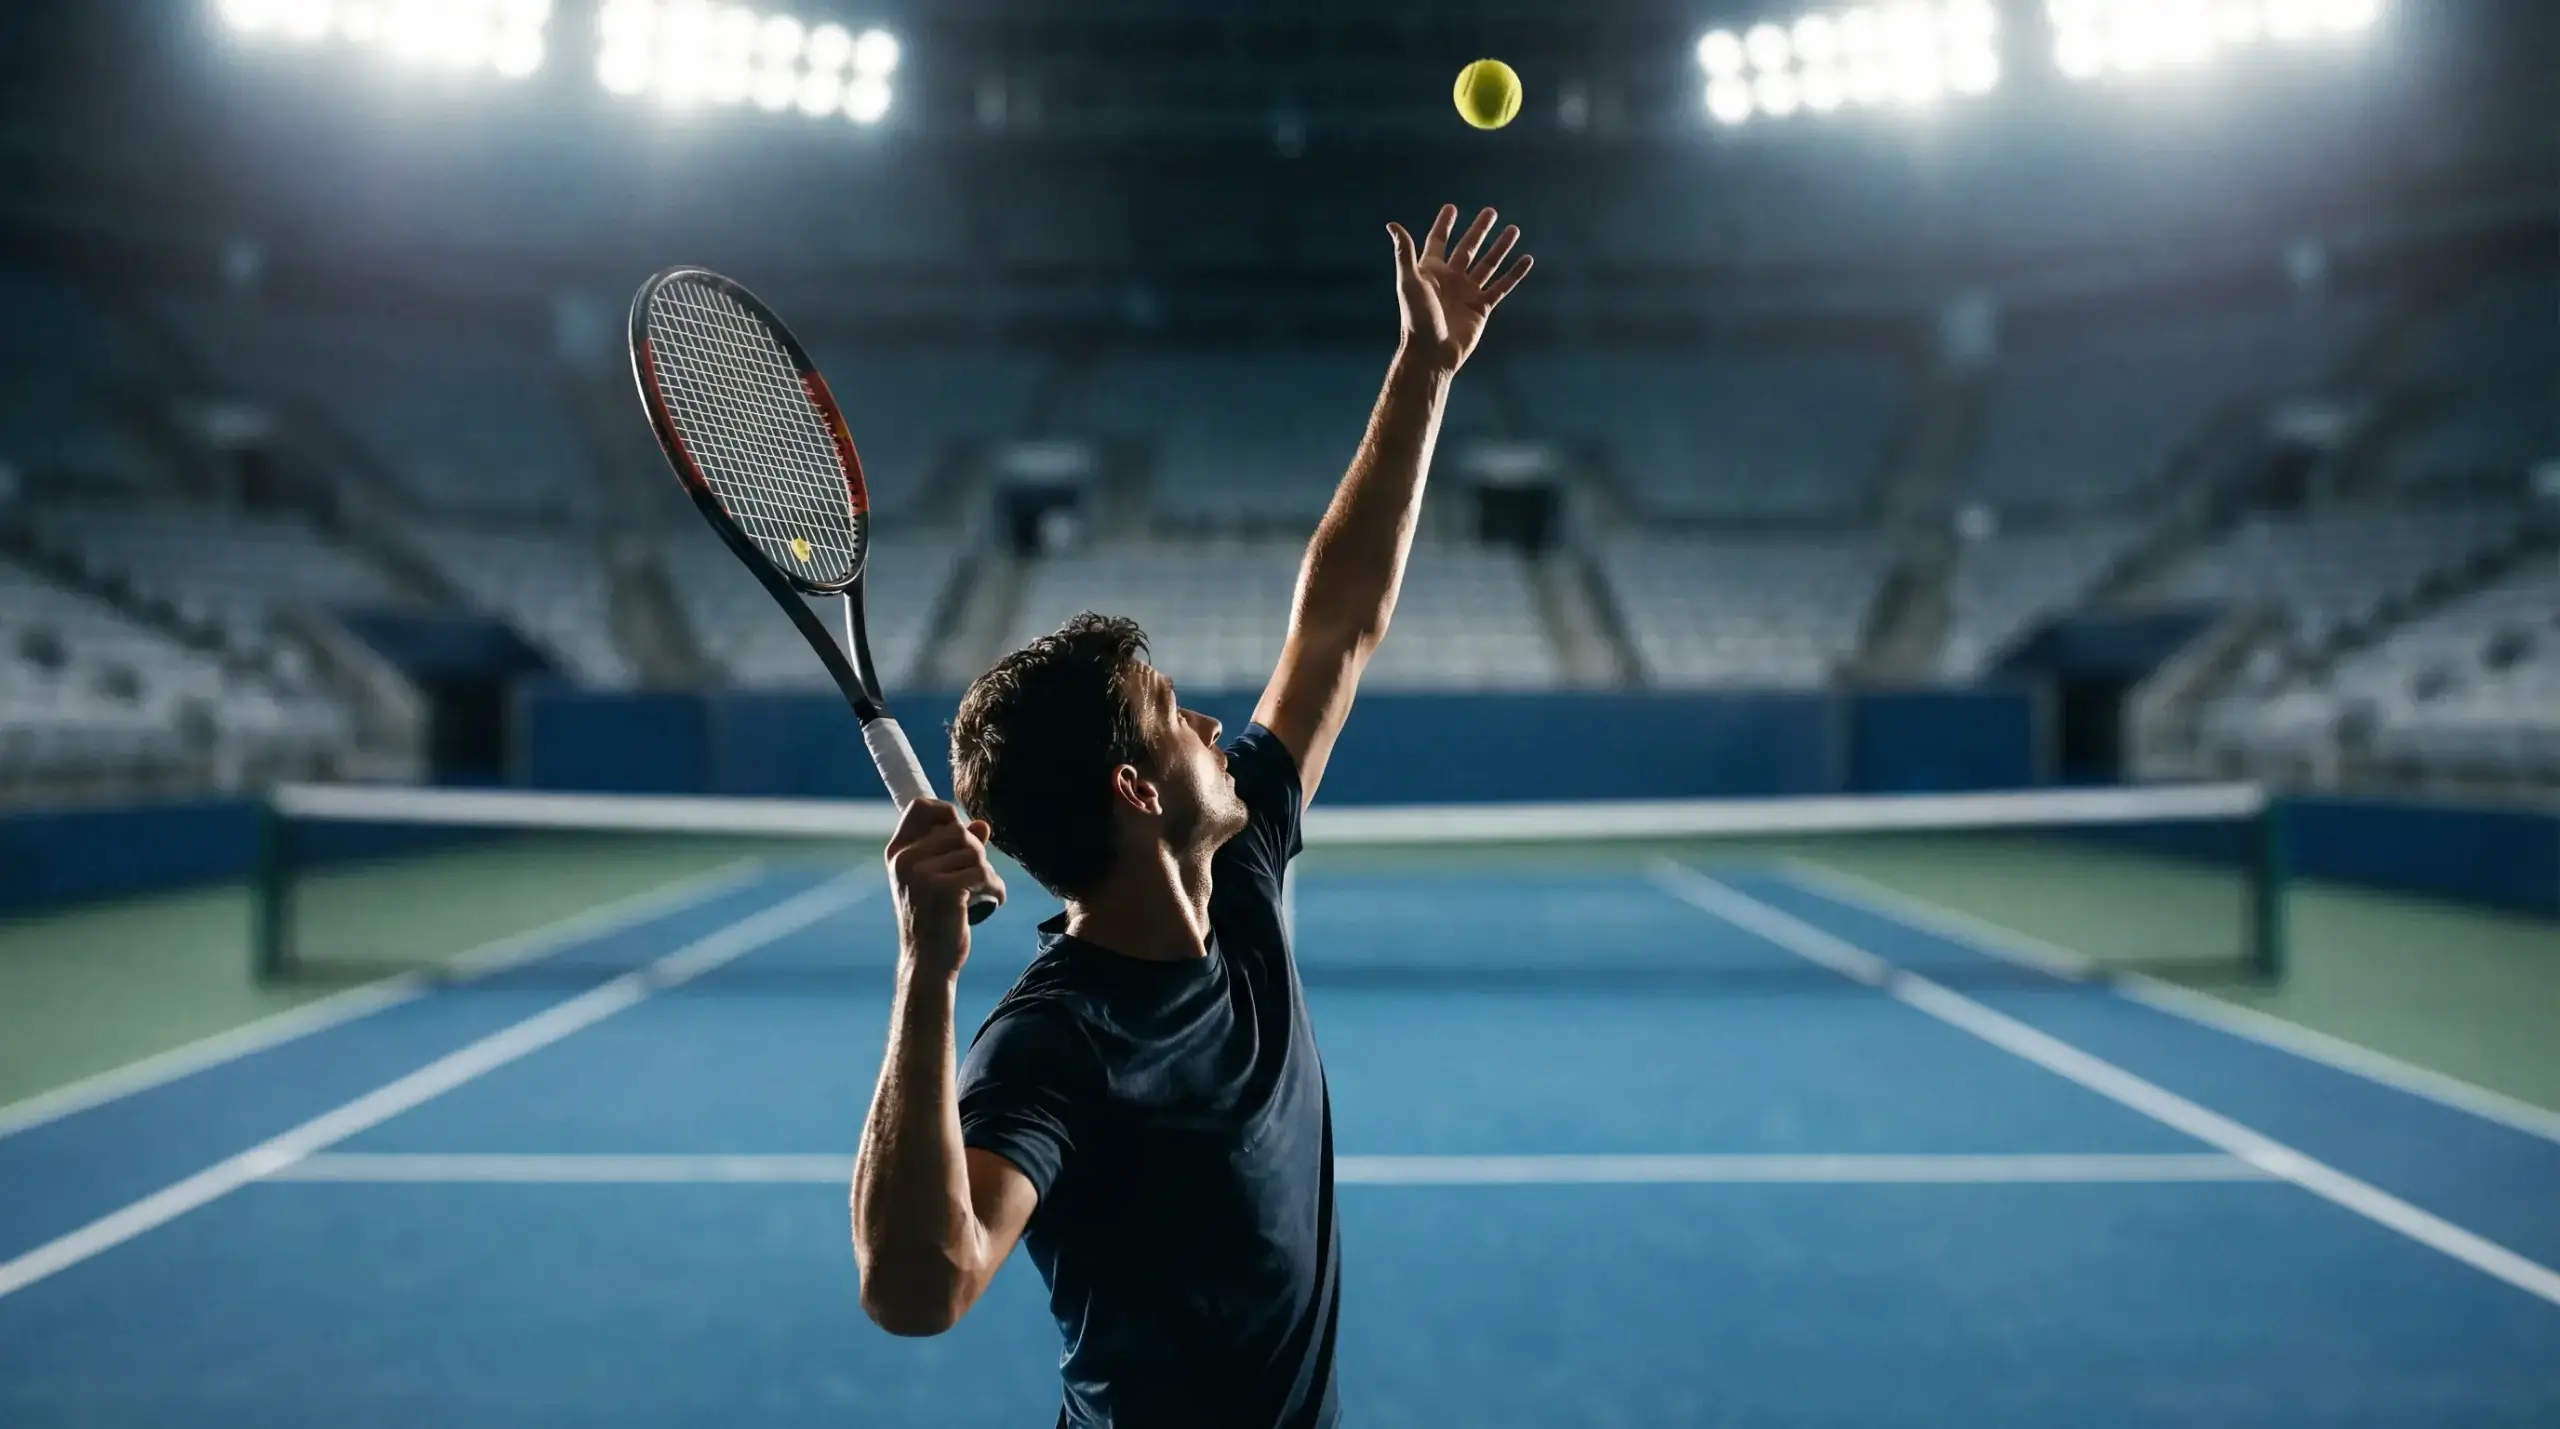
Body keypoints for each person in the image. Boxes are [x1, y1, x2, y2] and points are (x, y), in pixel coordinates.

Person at [851, 205, 1534, 1428]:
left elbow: (1337, 622)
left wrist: (1424, 371)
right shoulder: (1053, 1043)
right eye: (1178, 716)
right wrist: (926, 974)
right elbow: (921, 1287)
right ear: (1138, 789)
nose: (1221, 728)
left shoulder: (1245, 867)